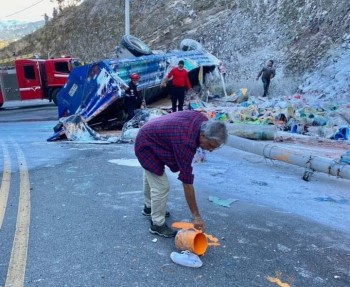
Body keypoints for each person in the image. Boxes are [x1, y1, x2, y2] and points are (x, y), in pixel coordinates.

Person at [134, 110, 228, 237]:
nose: (211, 150)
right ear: (203, 136)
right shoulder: (185, 141)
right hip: (145, 143)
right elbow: (187, 181)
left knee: (152, 174)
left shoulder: (202, 121)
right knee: (161, 186)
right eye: (211, 145)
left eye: (215, 147)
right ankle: (157, 224)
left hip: (153, 135)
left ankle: (149, 207)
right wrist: (196, 216)